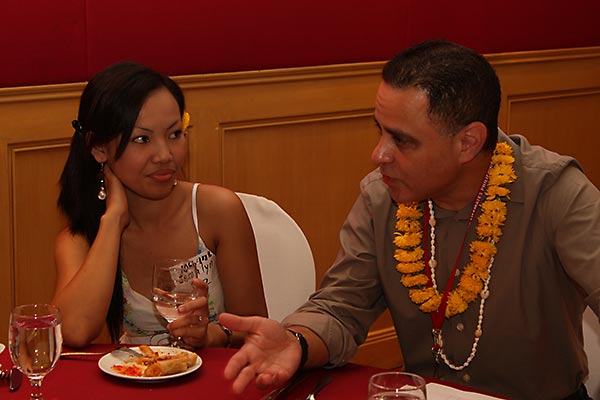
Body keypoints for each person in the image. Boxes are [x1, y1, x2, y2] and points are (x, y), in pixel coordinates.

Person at [218, 40, 600, 399]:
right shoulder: (381, 196)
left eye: (402, 140)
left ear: (468, 142)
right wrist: (297, 342)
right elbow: (340, 307)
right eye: (380, 131)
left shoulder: (556, 193)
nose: (379, 154)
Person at [52, 61, 267, 349]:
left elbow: (256, 331)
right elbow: (75, 331)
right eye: (142, 139)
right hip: (134, 375)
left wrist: (209, 335)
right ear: (99, 148)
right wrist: (114, 219)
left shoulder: (217, 210)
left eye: (174, 134)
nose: (165, 155)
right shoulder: (81, 239)